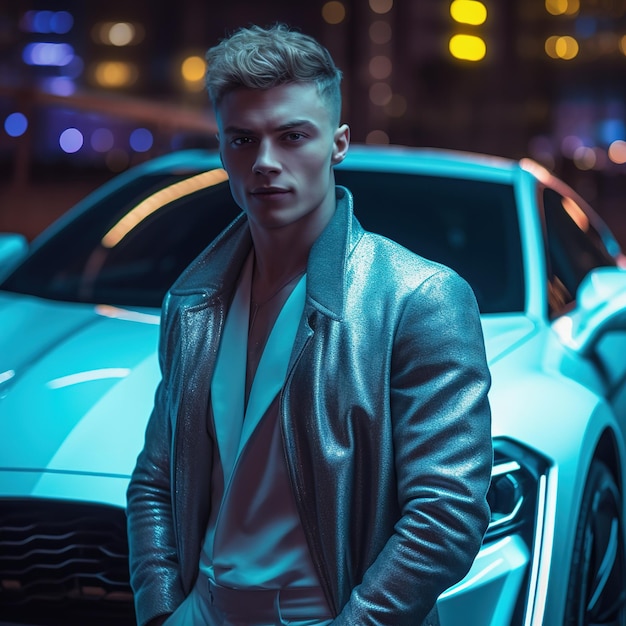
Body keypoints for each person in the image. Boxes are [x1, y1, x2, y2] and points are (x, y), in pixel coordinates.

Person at [126, 23, 492, 626]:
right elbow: (154, 481)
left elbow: (447, 513)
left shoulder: (419, 298)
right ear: (221, 147)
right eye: (242, 140)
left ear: (338, 143)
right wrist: (162, 611)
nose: (265, 163)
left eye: (292, 136)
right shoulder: (191, 302)